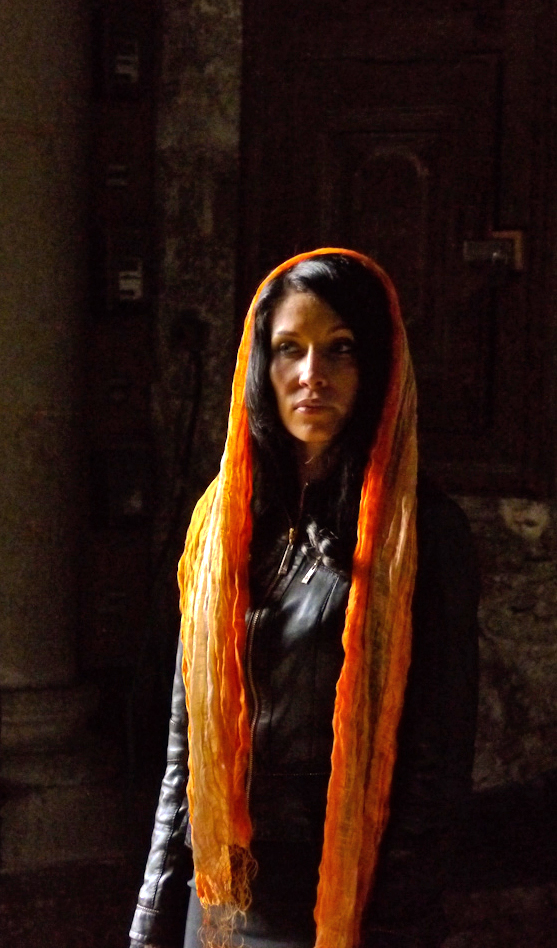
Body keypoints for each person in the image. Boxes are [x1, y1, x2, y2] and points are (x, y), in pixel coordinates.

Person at [129, 249, 479, 948]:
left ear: (376, 366)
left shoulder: (422, 534)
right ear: (261, 367)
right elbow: (185, 747)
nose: (310, 375)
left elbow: (434, 764)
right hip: (222, 898)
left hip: (339, 903)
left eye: (339, 350)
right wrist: (153, 918)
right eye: (288, 349)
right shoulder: (222, 523)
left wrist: (391, 924)